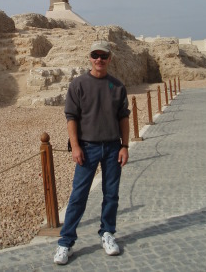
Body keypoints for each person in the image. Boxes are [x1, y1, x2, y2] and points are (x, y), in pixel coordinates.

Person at [54, 40, 130, 265]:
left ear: (109, 59)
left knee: (111, 193)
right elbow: (71, 118)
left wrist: (125, 145)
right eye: (95, 55)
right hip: (87, 148)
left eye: (103, 56)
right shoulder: (78, 84)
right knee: (78, 195)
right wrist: (75, 146)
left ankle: (107, 233)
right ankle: (65, 242)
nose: (99, 59)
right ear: (89, 57)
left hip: (112, 147)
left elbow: (123, 117)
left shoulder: (117, 86)